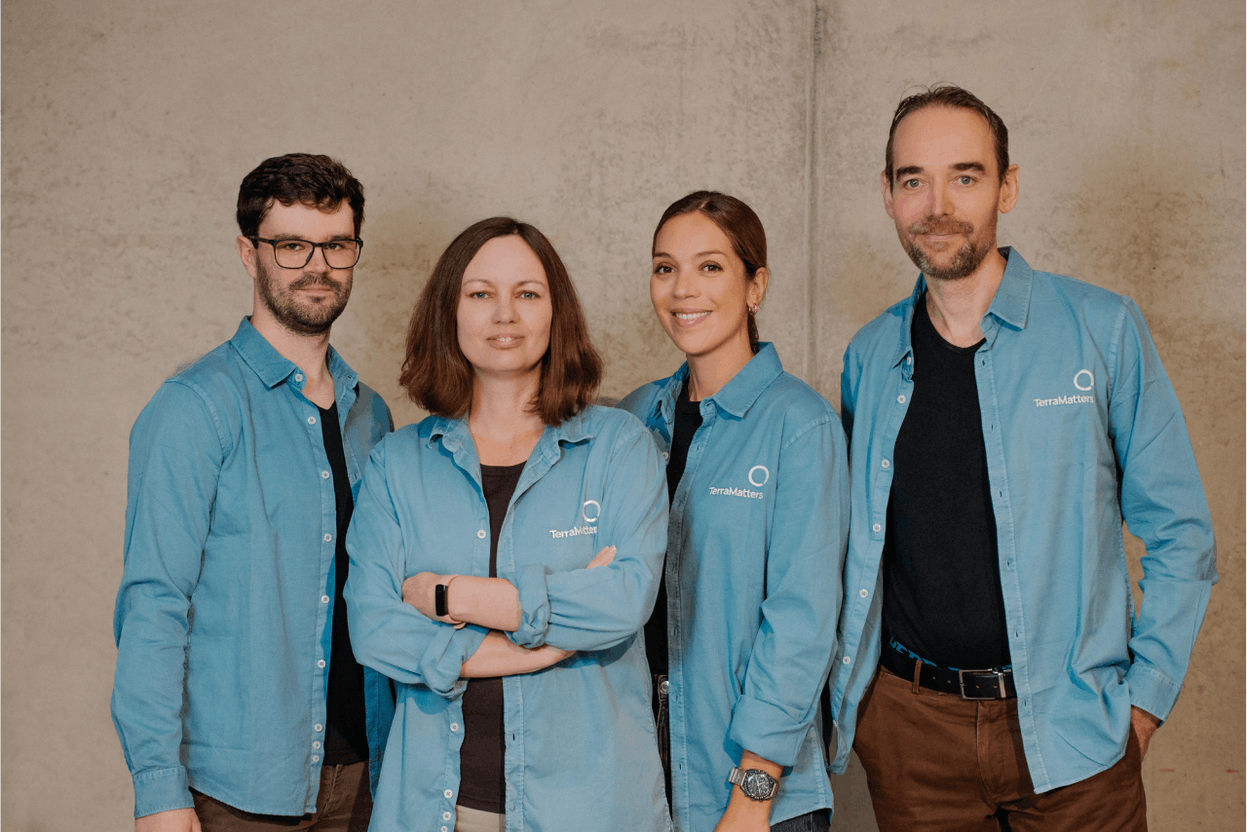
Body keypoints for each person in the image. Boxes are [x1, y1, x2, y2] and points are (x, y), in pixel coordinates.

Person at [828, 85, 1218, 831]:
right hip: (912, 736)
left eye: (964, 176)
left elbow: (1181, 531)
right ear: (887, 195)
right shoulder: (869, 357)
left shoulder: (1102, 330)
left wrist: (1141, 706)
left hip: (1077, 732)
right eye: (913, 180)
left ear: (1006, 187)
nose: (937, 205)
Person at [344, 217, 670, 832]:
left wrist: (452, 596)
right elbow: (374, 627)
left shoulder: (620, 447)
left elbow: (625, 599)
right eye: (480, 293)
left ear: (556, 311)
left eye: (527, 293)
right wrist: (535, 649)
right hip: (437, 810)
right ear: (449, 312)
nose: (505, 314)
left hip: (590, 809)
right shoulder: (398, 462)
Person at [112, 154, 394, 832]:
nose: (317, 266)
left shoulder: (372, 415)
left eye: (336, 245)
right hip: (238, 792)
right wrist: (158, 789)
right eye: (292, 245)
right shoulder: (195, 407)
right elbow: (154, 605)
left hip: (368, 780)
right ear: (249, 254)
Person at [620, 192, 849, 832]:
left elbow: (802, 623)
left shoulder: (801, 425)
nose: (683, 289)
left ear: (756, 286)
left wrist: (754, 790)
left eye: (710, 267)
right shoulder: (634, 418)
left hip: (752, 787)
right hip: (638, 774)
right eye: (665, 268)